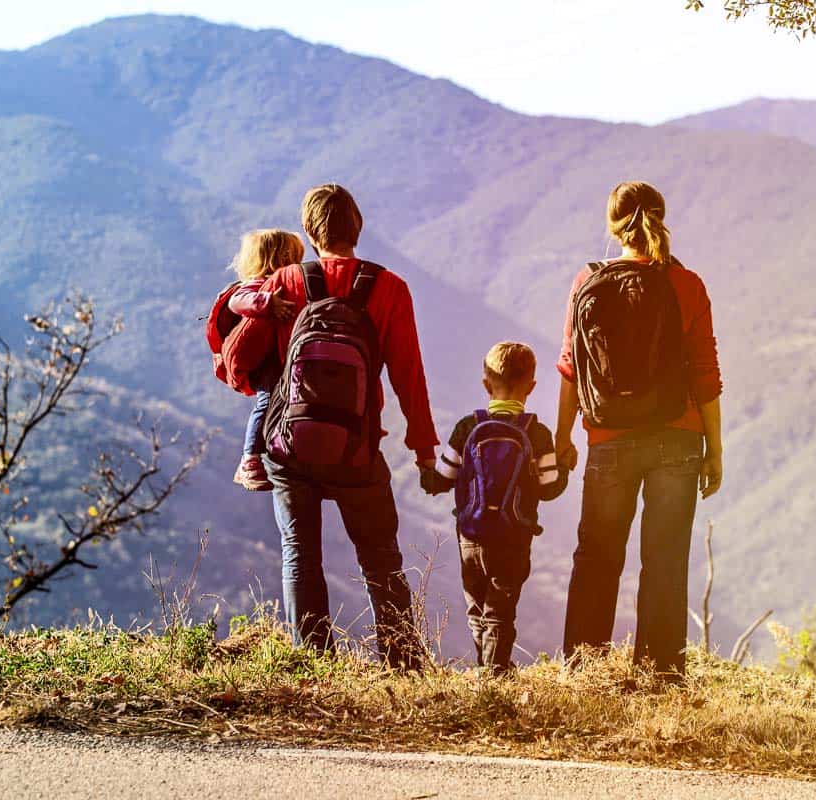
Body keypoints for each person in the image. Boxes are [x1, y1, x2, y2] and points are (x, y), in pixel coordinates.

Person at [226, 184, 438, 671]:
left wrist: (264, 379)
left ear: (309, 230)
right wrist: (424, 449)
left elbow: (237, 360)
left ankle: (315, 667)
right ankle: (404, 665)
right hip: (358, 451)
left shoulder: (284, 282)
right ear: (357, 228)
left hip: (289, 448)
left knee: (300, 554)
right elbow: (410, 377)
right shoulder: (389, 288)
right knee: (381, 558)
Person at [555, 180, 724, 680]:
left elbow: (571, 367)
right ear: (662, 218)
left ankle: (584, 671)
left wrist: (564, 435)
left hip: (608, 439)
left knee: (597, 558)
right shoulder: (686, 283)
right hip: (678, 438)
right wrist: (714, 449)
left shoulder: (588, 280)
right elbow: (706, 373)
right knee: (665, 560)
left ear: (613, 226)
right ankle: (660, 675)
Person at [420, 342, 567, 673]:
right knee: (501, 608)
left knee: (477, 606)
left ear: (486, 383)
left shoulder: (467, 427)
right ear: (531, 386)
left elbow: (440, 481)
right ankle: (496, 671)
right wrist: (566, 468)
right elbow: (549, 489)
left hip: (471, 537)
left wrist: (423, 470)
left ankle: (487, 666)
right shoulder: (537, 433)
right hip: (514, 538)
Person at [225, 229, 302, 491]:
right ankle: (250, 459)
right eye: (291, 256)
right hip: (265, 362)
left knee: (281, 404)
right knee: (267, 401)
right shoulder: (257, 285)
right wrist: (267, 302)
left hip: (282, 359)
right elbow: (237, 302)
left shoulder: (288, 285)